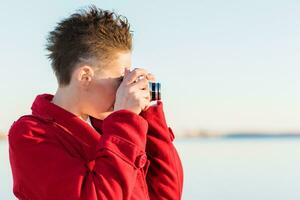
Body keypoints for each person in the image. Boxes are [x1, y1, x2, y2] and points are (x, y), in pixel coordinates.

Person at [8, 5, 183, 200]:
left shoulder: (108, 129)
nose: (124, 89)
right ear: (85, 76)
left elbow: (166, 194)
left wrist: (149, 113)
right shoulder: (30, 135)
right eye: (119, 80)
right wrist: (125, 120)